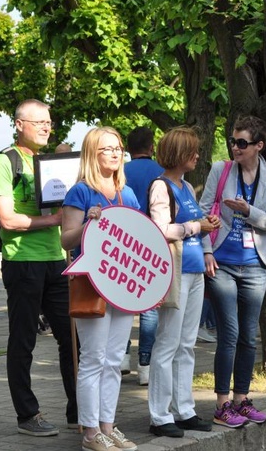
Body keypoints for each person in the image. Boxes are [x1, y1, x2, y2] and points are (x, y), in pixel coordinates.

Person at [0, 99, 76, 436]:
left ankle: (78, 410)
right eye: (38, 122)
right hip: (23, 262)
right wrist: (52, 219)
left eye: (49, 123)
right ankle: (27, 415)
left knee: (71, 338)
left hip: (56, 260)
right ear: (19, 124)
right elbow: (7, 219)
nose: (45, 128)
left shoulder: (48, 162)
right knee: (23, 341)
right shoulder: (5, 161)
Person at [199, 115, 266, 428]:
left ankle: (241, 400)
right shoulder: (221, 170)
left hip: (256, 265)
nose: (236, 148)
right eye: (233, 141)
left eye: (243, 143)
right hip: (221, 261)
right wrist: (206, 250)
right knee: (230, 332)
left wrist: (248, 211)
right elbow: (204, 209)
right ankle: (222, 404)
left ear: (259, 145)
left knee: (249, 335)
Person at [61, 126, 140, 451]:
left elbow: (138, 240)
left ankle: (108, 426)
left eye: (118, 147)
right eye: (107, 148)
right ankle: (91, 433)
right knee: (94, 358)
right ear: (93, 154)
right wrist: (87, 225)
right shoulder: (80, 192)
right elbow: (66, 240)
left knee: (113, 359)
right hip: (92, 284)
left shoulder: (128, 194)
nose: (115, 152)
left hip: (121, 285)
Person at [147, 127, 219, 438]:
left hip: (192, 271)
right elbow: (161, 228)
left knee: (186, 343)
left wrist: (205, 230)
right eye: (192, 152)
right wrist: (196, 226)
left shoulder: (186, 187)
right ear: (179, 154)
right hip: (173, 272)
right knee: (168, 343)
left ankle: (184, 408)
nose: (197, 156)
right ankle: (160, 414)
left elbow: (190, 226)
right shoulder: (161, 186)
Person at [123, 126, 164, 385]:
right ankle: (145, 365)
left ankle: (122, 356)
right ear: (152, 147)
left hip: (124, 241)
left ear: (128, 149)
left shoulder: (120, 172)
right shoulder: (161, 171)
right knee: (149, 307)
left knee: (123, 303)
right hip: (152, 241)